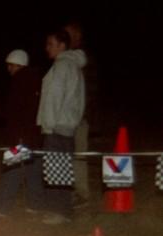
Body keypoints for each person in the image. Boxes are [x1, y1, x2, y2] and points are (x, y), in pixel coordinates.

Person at [0, 50, 47, 217]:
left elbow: (13, 110)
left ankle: (1, 207)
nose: (8, 69)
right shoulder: (37, 80)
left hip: (21, 134)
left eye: (10, 65)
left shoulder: (20, 80)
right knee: (33, 170)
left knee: (12, 169)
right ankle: (36, 204)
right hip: (35, 134)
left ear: (17, 64)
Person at [36, 29, 86, 225]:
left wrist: (48, 125)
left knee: (56, 169)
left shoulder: (62, 65)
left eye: (50, 44)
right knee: (62, 169)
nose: (46, 48)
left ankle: (59, 212)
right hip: (67, 124)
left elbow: (53, 99)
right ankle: (63, 210)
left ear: (62, 45)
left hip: (57, 126)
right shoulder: (73, 66)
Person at [64, 21, 98, 209]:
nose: (66, 37)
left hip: (80, 116)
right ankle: (70, 191)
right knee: (68, 155)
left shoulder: (84, 58)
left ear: (78, 35)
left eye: (69, 33)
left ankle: (82, 194)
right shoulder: (66, 57)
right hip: (67, 117)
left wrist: (83, 112)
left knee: (79, 155)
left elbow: (90, 89)